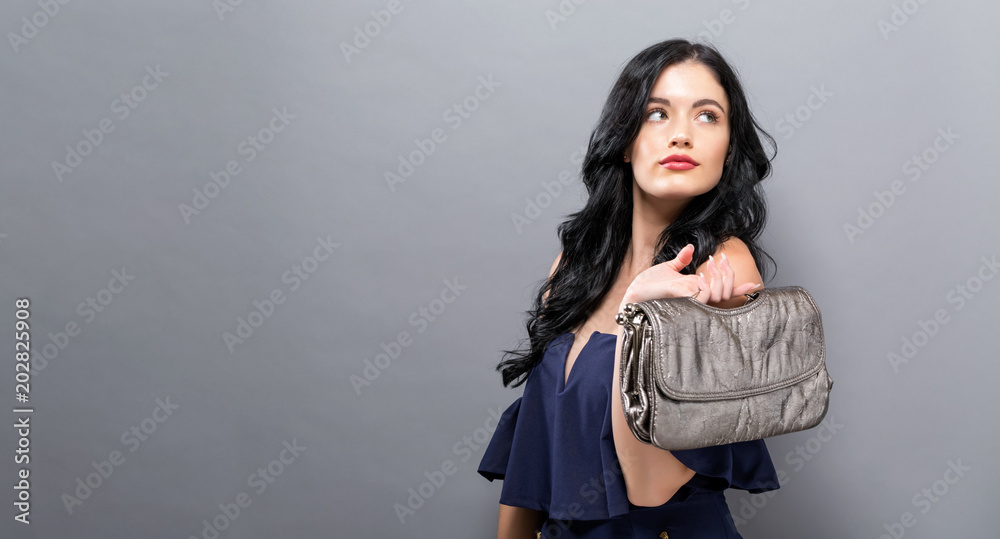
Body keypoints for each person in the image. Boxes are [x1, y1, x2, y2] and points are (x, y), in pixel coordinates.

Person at [478, 39, 783, 538]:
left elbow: (649, 484)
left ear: (729, 149)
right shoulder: (576, 266)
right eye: (657, 114)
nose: (682, 135)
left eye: (707, 116)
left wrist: (636, 313)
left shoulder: (721, 268)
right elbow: (536, 444)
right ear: (625, 139)